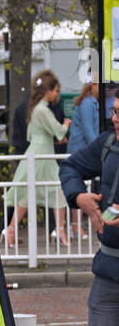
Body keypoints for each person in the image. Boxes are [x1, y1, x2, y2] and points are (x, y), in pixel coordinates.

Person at [45, 93, 119, 326]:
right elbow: (71, 166)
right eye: (115, 111)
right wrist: (79, 197)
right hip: (108, 276)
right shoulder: (108, 144)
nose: (115, 118)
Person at [2, 71, 70, 248]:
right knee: (57, 188)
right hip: (42, 154)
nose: (57, 94)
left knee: (29, 193)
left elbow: (31, 134)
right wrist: (67, 124)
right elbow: (59, 130)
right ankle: (60, 229)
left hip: (38, 151)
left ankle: (11, 228)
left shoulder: (35, 109)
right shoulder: (43, 110)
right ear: (47, 91)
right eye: (55, 90)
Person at [67, 82, 100, 240]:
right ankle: (76, 225)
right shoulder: (88, 103)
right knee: (79, 189)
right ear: (93, 85)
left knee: (81, 188)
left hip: (83, 149)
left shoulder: (91, 102)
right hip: (80, 151)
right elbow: (88, 130)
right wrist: (101, 149)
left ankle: (77, 225)